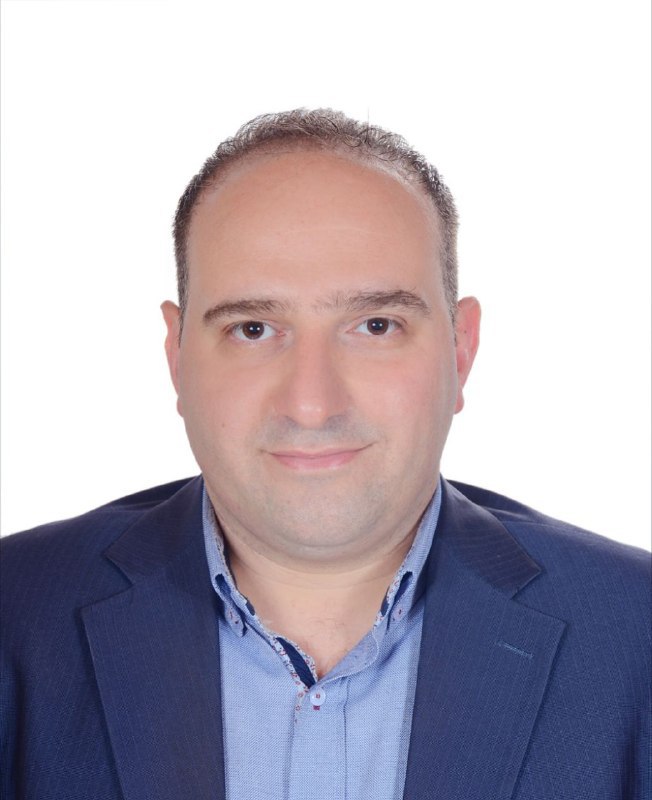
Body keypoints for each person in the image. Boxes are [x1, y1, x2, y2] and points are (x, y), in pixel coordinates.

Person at [1, 109, 649, 800]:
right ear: (177, 356)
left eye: (376, 325)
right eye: (253, 329)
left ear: (461, 352)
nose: (311, 404)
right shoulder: (15, 613)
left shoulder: (636, 634)